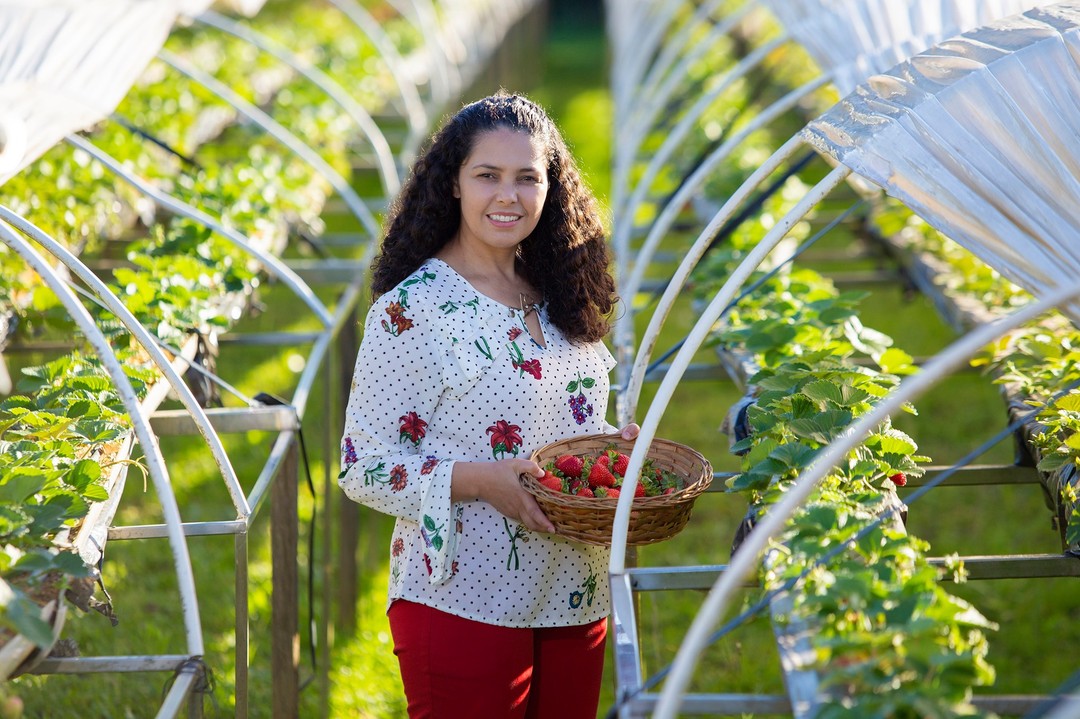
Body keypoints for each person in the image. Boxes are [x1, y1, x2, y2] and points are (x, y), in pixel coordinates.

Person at [339, 91, 638, 719]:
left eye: (527, 177)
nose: (509, 195)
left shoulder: (561, 292)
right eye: (488, 176)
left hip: (574, 587)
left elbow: (563, 425)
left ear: (550, 186)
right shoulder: (410, 312)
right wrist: (482, 481)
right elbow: (361, 466)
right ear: (453, 183)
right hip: (461, 594)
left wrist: (611, 451)